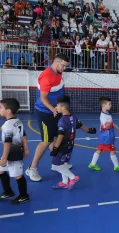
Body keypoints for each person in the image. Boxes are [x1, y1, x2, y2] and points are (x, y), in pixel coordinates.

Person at [26, 54, 70, 182]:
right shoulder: (46, 76)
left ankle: (56, 164)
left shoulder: (59, 72)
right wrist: (53, 109)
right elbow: (43, 98)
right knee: (46, 140)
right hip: (45, 113)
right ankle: (32, 168)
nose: (64, 68)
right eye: (63, 65)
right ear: (56, 63)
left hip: (56, 111)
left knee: (57, 137)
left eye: (66, 66)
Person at [51, 96, 97, 190]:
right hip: (70, 145)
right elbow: (80, 125)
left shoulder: (62, 121)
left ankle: (73, 177)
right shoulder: (73, 116)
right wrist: (89, 130)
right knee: (64, 164)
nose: (56, 108)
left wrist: (55, 148)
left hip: (62, 146)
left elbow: (60, 136)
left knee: (55, 166)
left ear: (63, 108)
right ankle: (64, 182)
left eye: (57, 106)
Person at [0, 98, 30, 204]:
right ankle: (8, 192)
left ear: (8, 110)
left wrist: (4, 157)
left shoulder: (7, 125)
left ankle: (24, 196)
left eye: (1, 107)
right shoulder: (18, 121)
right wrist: (26, 148)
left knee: (18, 175)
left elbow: (7, 143)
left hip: (13, 154)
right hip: (12, 152)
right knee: (1, 170)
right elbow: (24, 135)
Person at [88, 97, 119, 172]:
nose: (111, 105)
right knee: (112, 150)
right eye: (109, 104)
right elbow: (106, 126)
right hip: (107, 136)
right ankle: (116, 166)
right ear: (104, 105)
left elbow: (110, 122)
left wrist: (117, 127)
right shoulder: (103, 116)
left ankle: (92, 164)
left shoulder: (107, 113)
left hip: (106, 135)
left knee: (100, 149)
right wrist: (108, 125)